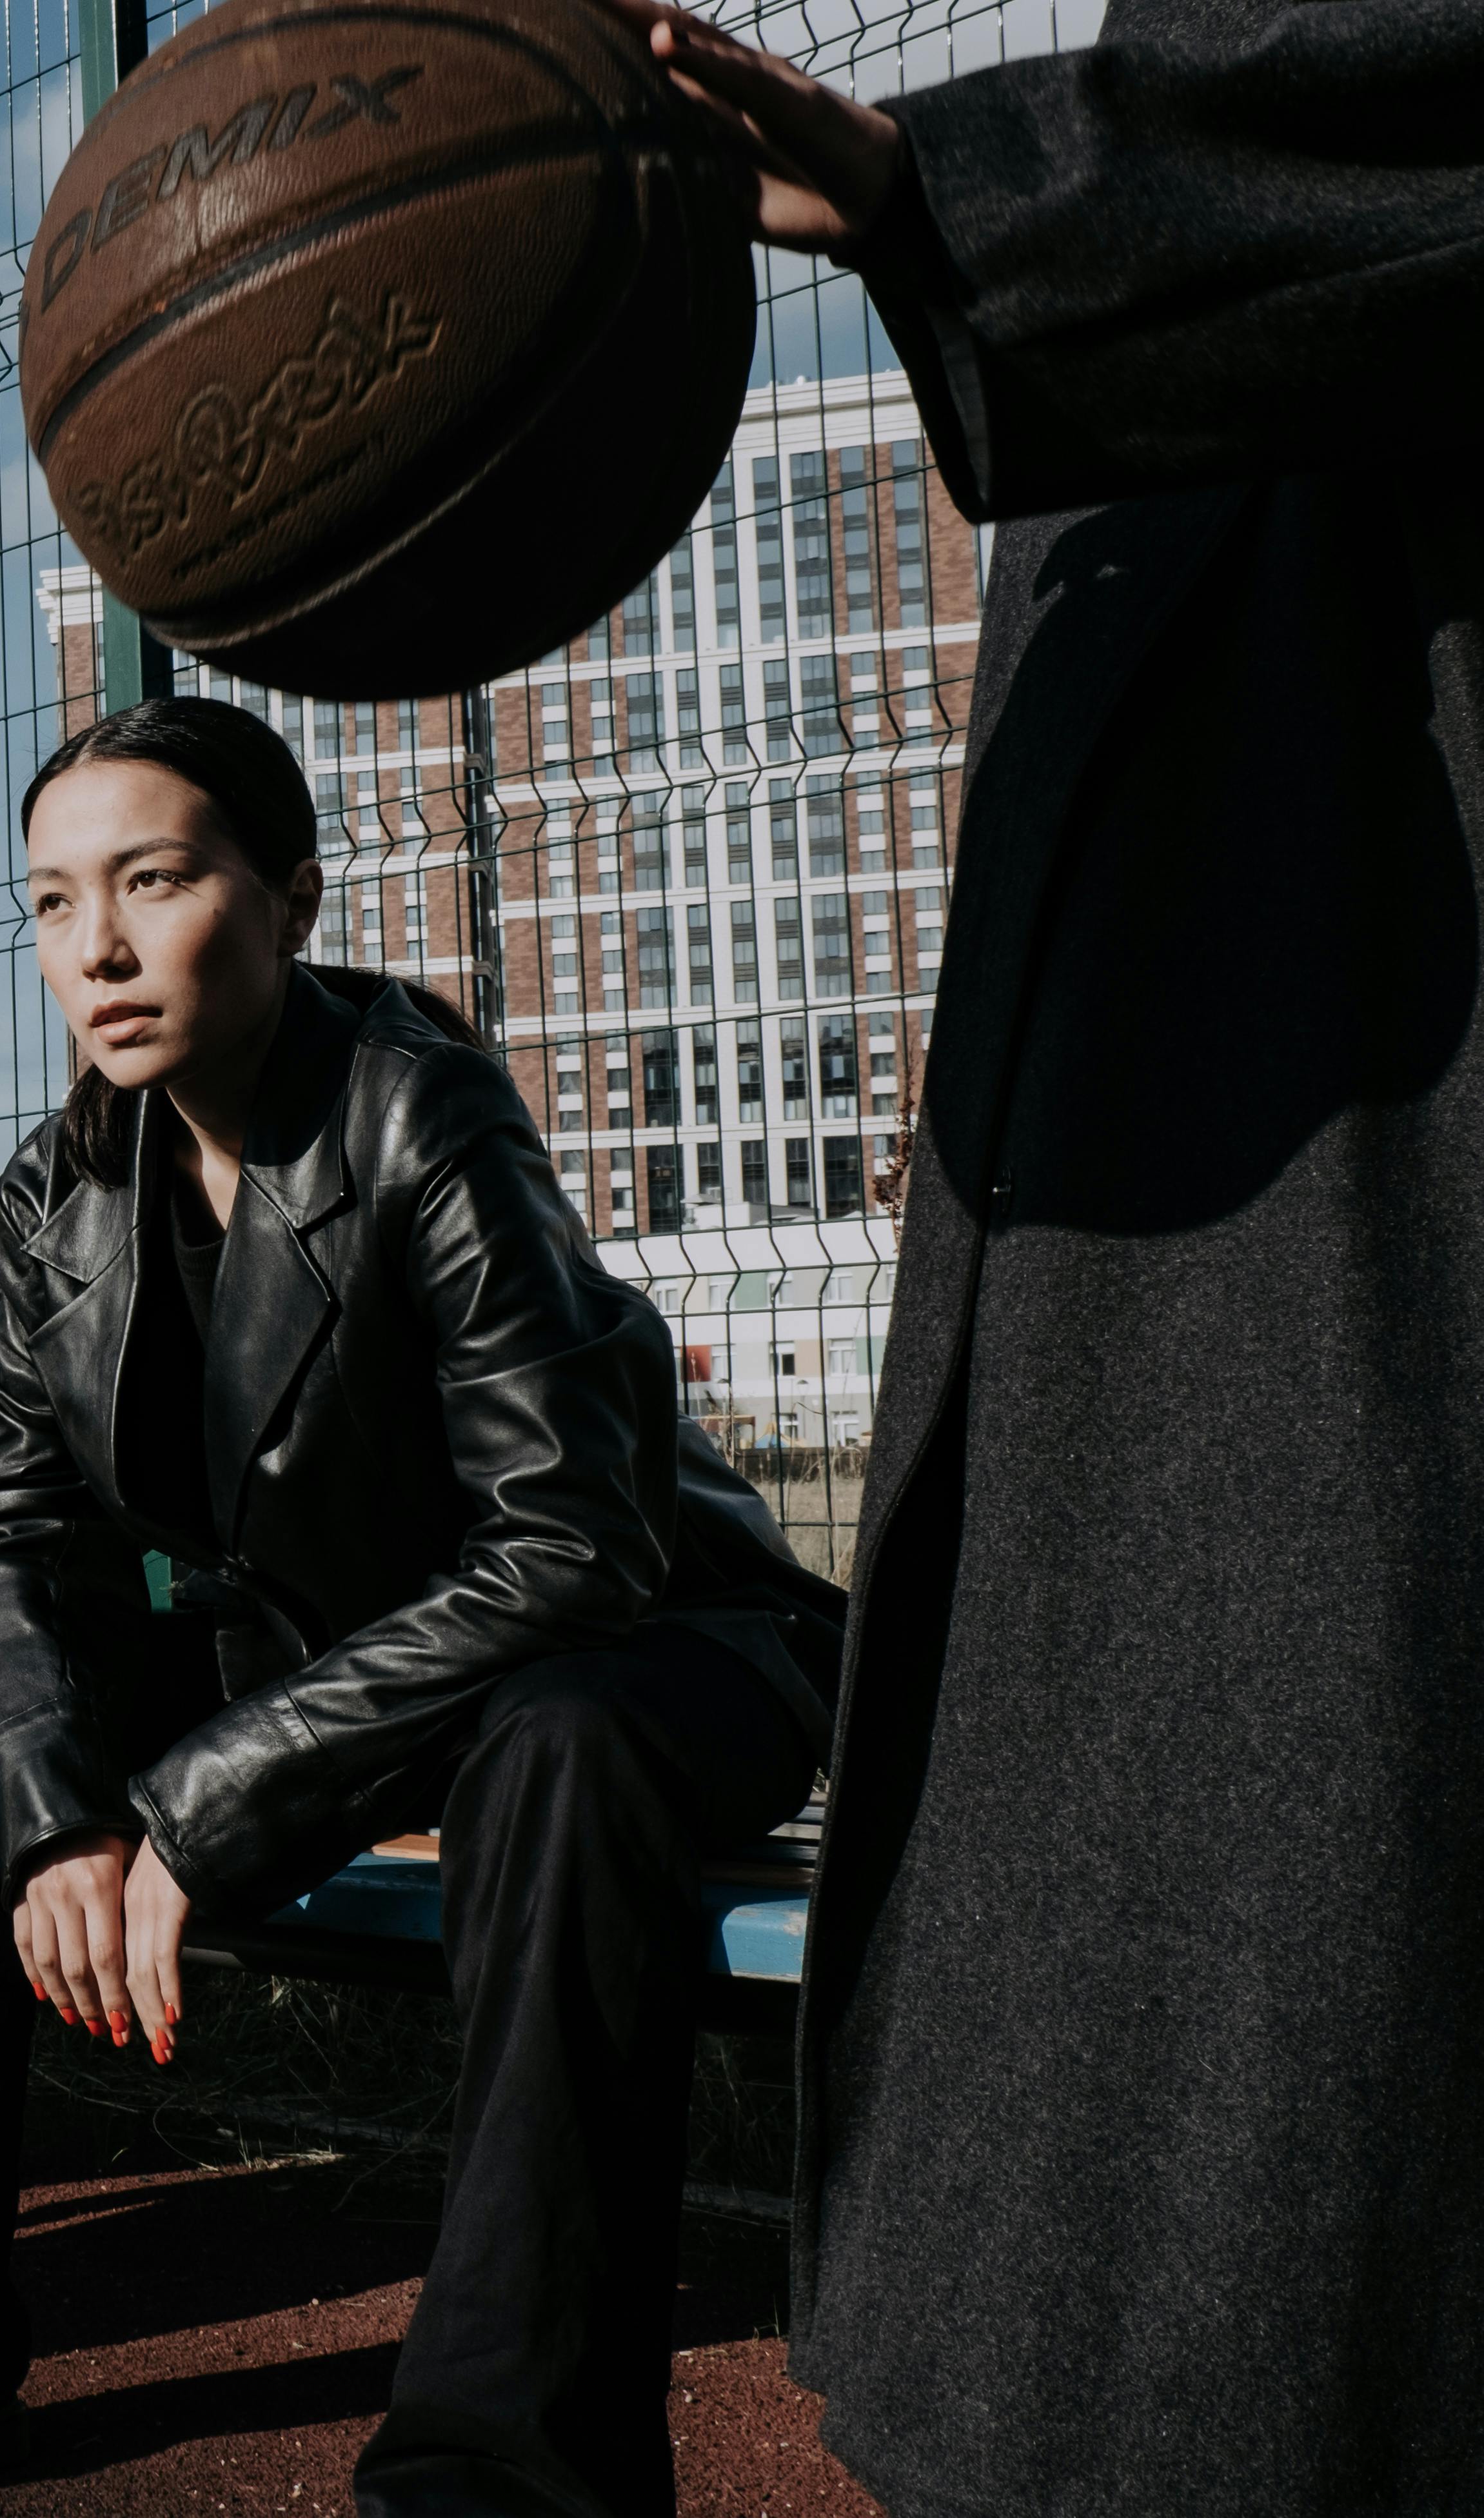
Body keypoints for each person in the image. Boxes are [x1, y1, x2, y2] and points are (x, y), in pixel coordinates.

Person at [0, 699, 844, 2512]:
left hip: (652, 1644)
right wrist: (57, 1823)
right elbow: (20, 1542)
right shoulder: (56, 1190)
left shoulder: (419, 1112)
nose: (93, 947)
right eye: (48, 904)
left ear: (286, 902)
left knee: (555, 1757)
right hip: (353, 1657)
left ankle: (504, 2471)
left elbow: (569, 1544)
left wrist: (186, 1823)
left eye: (154, 881)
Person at [599, 8, 1484, 2510]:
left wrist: (944, 199)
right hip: (1169, 1036)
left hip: (1357, 1058)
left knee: (1283, 2009)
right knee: (1132, 2007)